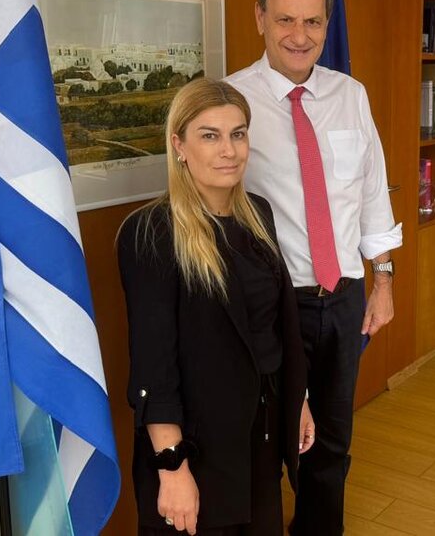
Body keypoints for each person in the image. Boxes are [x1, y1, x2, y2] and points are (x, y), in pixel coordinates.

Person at [225, 0, 402, 536]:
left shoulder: (350, 95)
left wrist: (382, 280)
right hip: (272, 305)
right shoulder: (231, 101)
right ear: (260, 18)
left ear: (328, 23)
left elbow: (371, 191)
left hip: (343, 297)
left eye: (313, 22)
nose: (299, 36)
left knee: (330, 444)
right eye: (285, 20)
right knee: (269, 441)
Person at [117, 78, 315, 535]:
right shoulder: (150, 233)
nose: (229, 150)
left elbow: (275, 330)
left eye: (237, 134)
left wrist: (297, 400)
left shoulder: (258, 215)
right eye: (210, 136)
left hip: (259, 436)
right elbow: (153, 365)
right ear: (179, 145)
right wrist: (172, 468)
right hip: (196, 448)